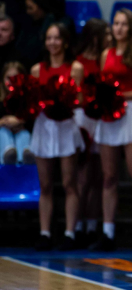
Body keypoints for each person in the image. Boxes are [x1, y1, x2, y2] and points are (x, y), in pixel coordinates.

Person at [91, 9, 132, 252]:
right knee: (108, 176)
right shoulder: (106, 54)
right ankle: (108, 232)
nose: (118, 28)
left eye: (123, 24)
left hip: (131, 113)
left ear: (131, 28)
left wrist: (121, 95)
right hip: (110, 114)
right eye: (115, 23)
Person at [29, 23, 86, 251]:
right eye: (49, 38)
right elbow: (32, 101)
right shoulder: (36, 69)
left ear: (65, 42)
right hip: (45, 126)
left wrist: (64, 101)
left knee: (69, 182)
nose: (52, 42)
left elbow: (80, 100)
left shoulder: (75, 68)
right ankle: (44, 233)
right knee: (45, 184)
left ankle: (70, 233)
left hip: (66, 126)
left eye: (57, 38)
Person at [73, 18, 108, 244]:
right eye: (106, 34)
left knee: (99, 177)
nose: (110, 38)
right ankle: (76, 226)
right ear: (95, 37)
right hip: (84, 117)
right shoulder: (78, 61)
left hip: (102, 117)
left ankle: (93, 226)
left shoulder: (106, 59)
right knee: (82, 177)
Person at [0, 61, 34, 165]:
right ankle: (8, 153)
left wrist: (20, 121)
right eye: (8, 77)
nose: (11, 81)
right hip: (2, 137)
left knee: (24, 134)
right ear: (2, 79)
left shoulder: (29, 99)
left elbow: (34, 122)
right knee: (3, 132)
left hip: (22, 133)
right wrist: (2, 122)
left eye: (16, 77)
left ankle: (26, 155)